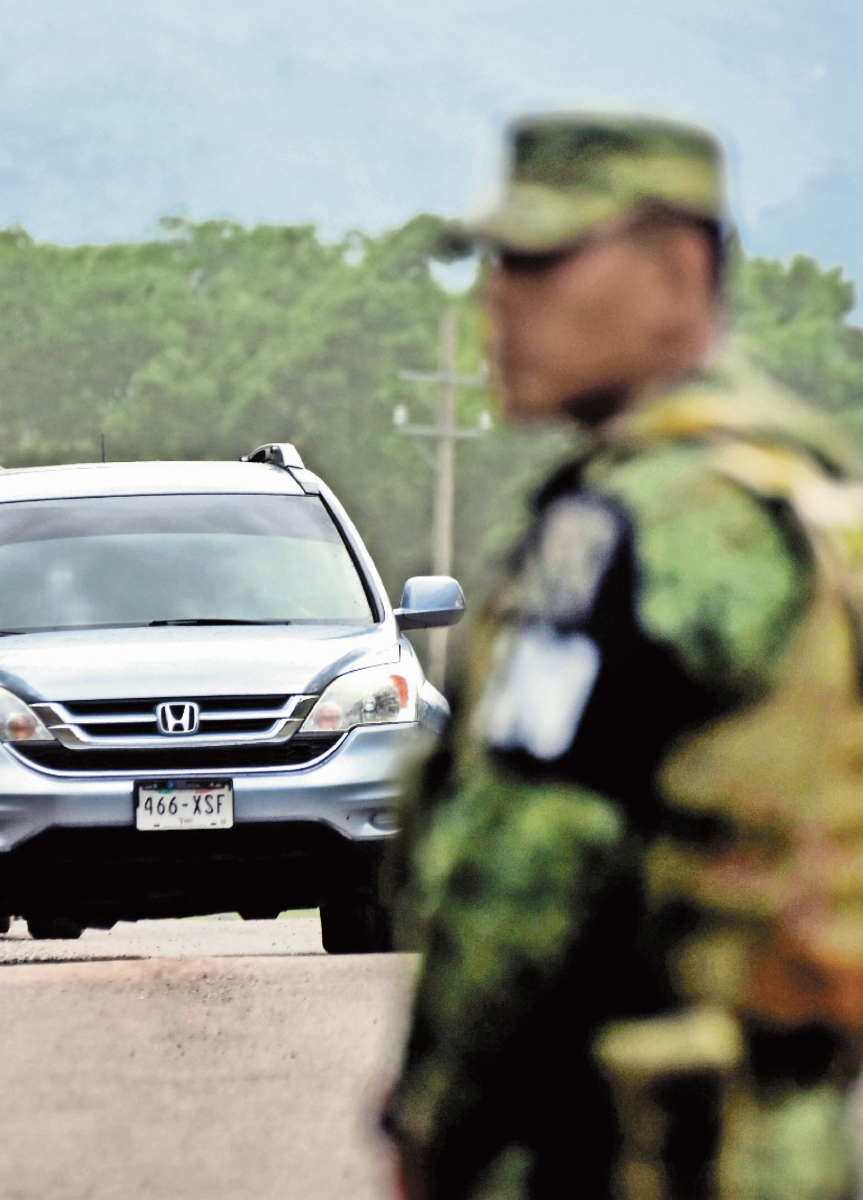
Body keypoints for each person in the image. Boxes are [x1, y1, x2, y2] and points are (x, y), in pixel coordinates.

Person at [383, 114, 863, 1199]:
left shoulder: (644, 524)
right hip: (785, 1142)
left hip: (618, 1151)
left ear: (677, 270)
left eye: (544, 261)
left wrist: (433, 1121)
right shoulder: (799, 480)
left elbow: (522, 874)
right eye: (497, 263)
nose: (501, 299)